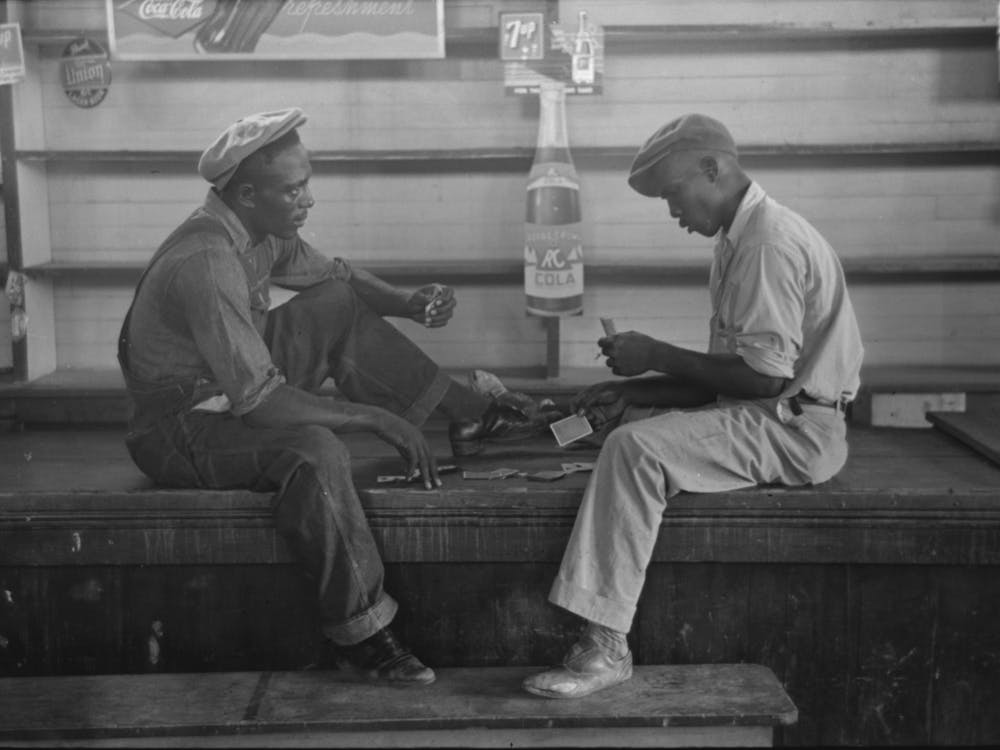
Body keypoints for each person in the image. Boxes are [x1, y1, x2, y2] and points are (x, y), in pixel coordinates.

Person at [117, 108, 553, 686]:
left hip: (226, 390)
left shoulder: (258, 228)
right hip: (179, 427)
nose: (308, 200)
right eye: (293, 189)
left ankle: (470, 416)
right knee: (316, 450)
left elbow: (335, 277)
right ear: (246, 194)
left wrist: (407, 302)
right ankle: (364, 633)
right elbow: (262, 404)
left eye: (307, 183)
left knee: (333, 304)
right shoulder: (208, 260)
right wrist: (375, 419)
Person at [522, 113, 864, 699]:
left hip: (796, 430)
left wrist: (653, 351)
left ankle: (605, 646)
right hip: (771, 412)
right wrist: (629, 391)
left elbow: (759, 383)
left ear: (715, 168)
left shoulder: (767, 243)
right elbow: (722, 384)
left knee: (633, 450)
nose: (674, 212)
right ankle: (602, 630)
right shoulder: (740, 239)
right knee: (626, 424)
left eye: (674, 194)